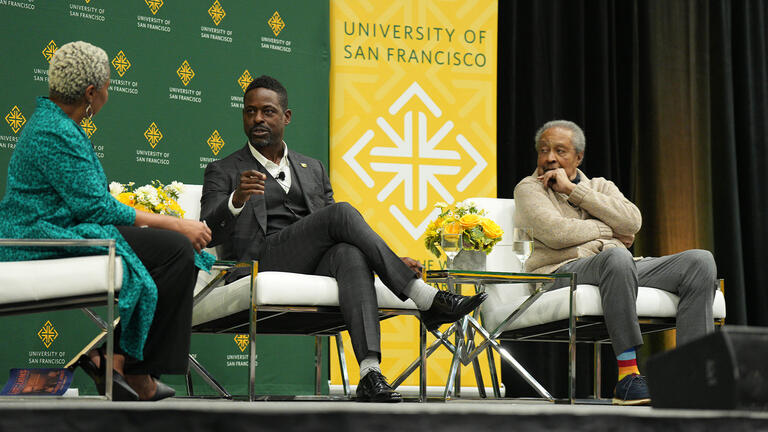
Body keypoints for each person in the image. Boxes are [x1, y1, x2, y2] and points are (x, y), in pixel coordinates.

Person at [201, 75, 486, 403]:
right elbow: (207, 230)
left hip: (311, 261)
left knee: (350, 252)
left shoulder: (312, 168)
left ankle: (369, 373)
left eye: (267, 111)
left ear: (286, 116)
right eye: (250, 112)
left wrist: (382, 259)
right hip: (261, 260)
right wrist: (236, 200)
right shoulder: (223, 169)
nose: (258, 119)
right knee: (342, 214)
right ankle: (421, 295)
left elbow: (336, 229)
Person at [0, 41, 212, 401]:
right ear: (90, 93)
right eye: (109, 87)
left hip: (61, 227)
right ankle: (133, 370)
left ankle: (114, 361)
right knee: (177, 248)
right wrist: (176, 223)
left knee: (176, 252)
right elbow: (98, 209)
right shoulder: (56, 132)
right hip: (37, 237)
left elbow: (90, 204)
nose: (108, 95)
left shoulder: (56, 123)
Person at [514, 120, 717, 406]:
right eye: (543, 150)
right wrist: (609, 232)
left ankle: (690, 378)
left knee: (699, 261)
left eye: (559, 151)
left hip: (617, 266)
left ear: (578, 157)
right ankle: (628, 376)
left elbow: (633, 222)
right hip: (560, 273)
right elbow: (557, 234)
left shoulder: (600, 186)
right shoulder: (529, 189)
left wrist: (575, 191)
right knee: (616, 255)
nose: (549, 158)